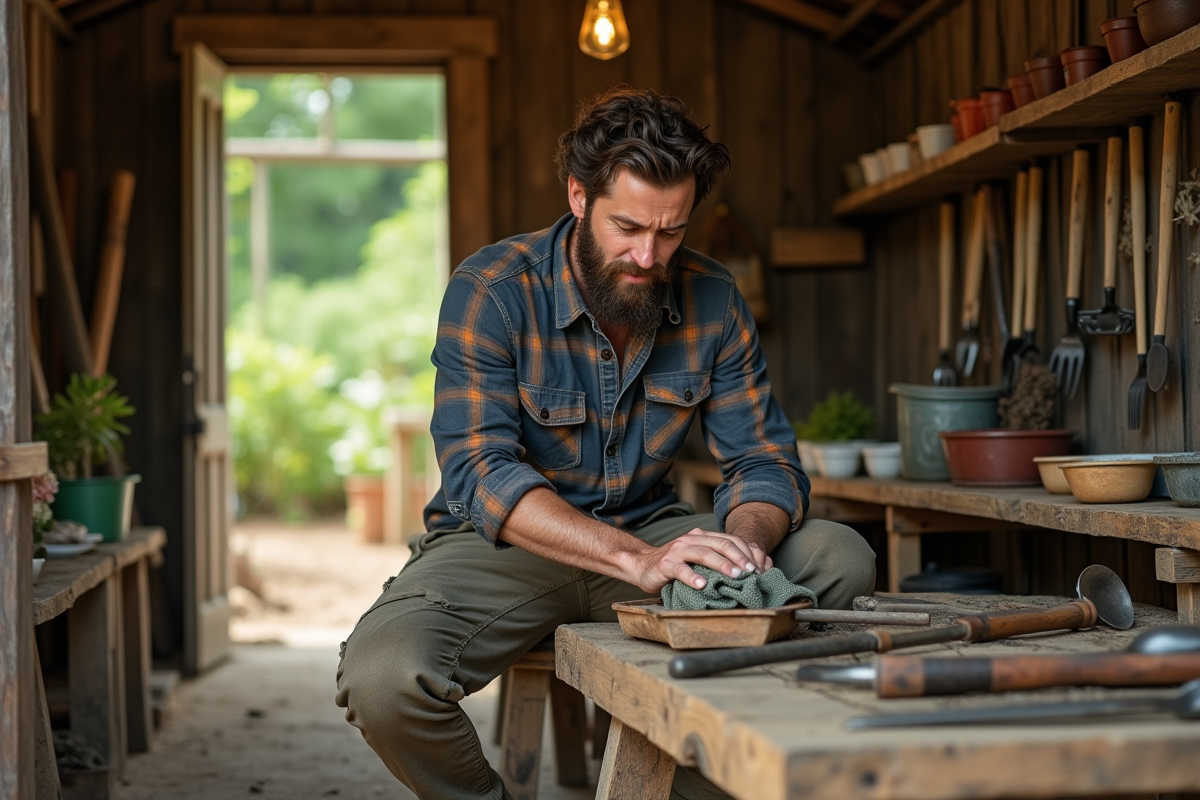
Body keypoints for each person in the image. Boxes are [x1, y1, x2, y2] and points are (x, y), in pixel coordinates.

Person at [336, 87, 875, 800]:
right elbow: (479, 471)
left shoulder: (714, 296)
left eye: (671, 232)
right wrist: (636, 557)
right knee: (382, 679)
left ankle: (686, 789)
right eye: (628, 227)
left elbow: (764, 460)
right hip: (508, 547)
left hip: (654, 532)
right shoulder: (493, 290)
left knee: (840, 555)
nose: (648, 256)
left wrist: (743, 543)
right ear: (578, 196)